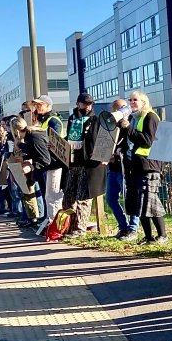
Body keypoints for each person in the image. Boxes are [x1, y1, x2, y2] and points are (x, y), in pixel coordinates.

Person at [118, 91, 167, 244]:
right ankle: (148, 236)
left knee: (151, 201)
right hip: (135, 166)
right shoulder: (133, 118)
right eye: (130, 100)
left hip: (149, 165)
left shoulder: (151, 117)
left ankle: (162, 235)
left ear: (144, 102)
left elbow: (148, 141)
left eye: (135, 100)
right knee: (139, 203)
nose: (132, 102)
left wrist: (128, 129)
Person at [61, 93, 107, 237]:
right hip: (73, 162)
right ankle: (69, 226)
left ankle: (80, 229)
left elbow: (101, 140)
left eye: (90, 103)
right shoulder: (72, 118)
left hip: (88, 163)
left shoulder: (95, 119)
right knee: (69, 196)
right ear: (78, 103)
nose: (88, 106)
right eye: (85, 103)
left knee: (83, 196)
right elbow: (69, 137)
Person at [106, 99, 139, 240]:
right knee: (111, 198)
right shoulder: (109, 125)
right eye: (116, 109)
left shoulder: (130, 124)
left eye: (122, 109)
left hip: (126, 167)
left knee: (129, 198)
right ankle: (123, 226)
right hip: (113, 168)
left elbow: (131, 144)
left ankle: (133, 228)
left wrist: (117, 155)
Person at [11, 116, 49, 227]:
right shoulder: (29, 137)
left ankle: (45, 219)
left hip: (46, 170)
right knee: (42, 194)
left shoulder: (34, 137)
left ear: (16, 131)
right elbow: (34, 152)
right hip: (40, 169)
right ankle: (42, 219)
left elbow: (45, 159)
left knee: (46, 196)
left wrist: (32, 166)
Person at [32, 94, 65, 222]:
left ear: (48, 106)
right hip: (46, 162)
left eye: (40, 105)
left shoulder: (53, 120)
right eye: (36, 105)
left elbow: (54, 139)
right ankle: (49, 220)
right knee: (48, 194)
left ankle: (55, 223)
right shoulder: (44, 120)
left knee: (52, 195)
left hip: (54, 162)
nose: (37, 107)